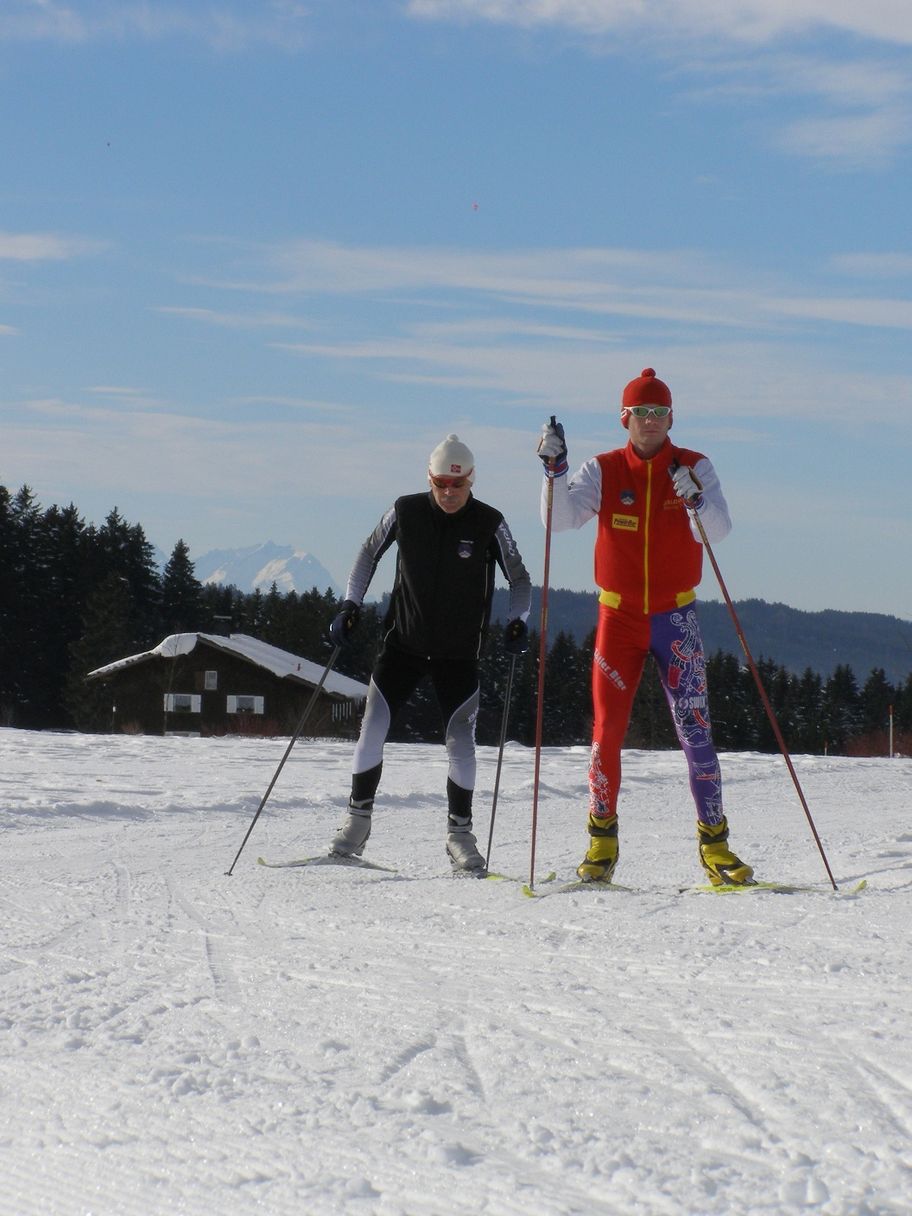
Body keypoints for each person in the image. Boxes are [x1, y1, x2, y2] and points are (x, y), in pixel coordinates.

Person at [538, 368, 754, 886]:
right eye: (641, 413)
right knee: (607, 731)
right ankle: (601, 841)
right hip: (619, 617)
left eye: (659, 413)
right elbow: (559, 520)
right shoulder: (605, 469)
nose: (651, 422)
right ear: (624, 418)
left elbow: (720, 531)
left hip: (676, 618)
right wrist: (553, 471)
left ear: (671, 418)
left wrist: (696, 498)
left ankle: (715, 844)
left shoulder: (696, 465)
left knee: (696, 731)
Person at [327, 433, 532, 873]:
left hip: (458, 654)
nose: (449, 492)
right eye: (441, 483)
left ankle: (460, 835)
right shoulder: (405, 510)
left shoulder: (490, 522)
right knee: (372, 727)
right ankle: (357, 823)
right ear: (430, 479)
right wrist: (350, 605)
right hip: (403, 645)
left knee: (461, 742)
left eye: (458, 485)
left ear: (472, 481)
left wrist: (519, 620)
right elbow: (368, 553)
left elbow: (519, 578)